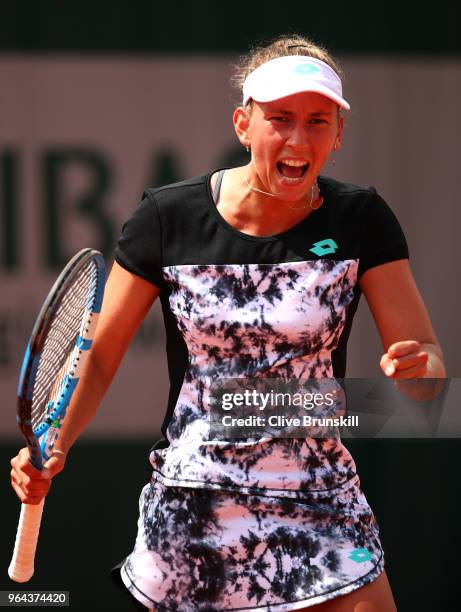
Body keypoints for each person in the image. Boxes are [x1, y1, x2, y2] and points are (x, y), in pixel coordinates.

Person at [10, 35, 446, 611]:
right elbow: (99, 355)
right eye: (280, 119)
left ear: (338, 135)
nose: (297, 138)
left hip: (322, 502)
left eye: (317, 121)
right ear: (244, 125)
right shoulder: (167, 219)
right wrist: (55, 444)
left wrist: (421, 369)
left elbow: (426, 375)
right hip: (195, 503)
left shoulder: (362, 219)